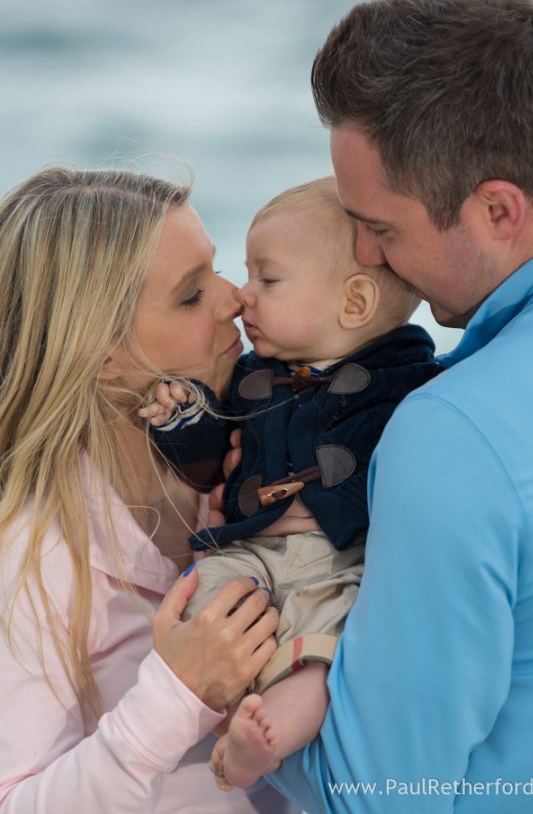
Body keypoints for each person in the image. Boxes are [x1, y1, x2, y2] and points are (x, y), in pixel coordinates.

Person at [261, 0, 533, 812]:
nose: (365, 254)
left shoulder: (456, 431)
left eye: (380, 226)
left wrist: (225, 687)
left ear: (496, 209)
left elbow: (373, 797)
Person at [0, 166, 299, 814]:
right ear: (103, 353)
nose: (234, 299)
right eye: (191, 295)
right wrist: (177, 692)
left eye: (215, 270)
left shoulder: (243, 456)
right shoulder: (28, 556)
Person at [143, 176, 440, 791]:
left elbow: (423, 479)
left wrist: (344, 510)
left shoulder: (412, 381)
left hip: (334, 562)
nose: (242, 296)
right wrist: (181, 416)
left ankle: (263, 739)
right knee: (203, 610)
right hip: (245, 549)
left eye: (267, 280)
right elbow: (207, 449)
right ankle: (224, 717)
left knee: (319, 650)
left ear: (353, 304)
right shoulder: (252, 375)